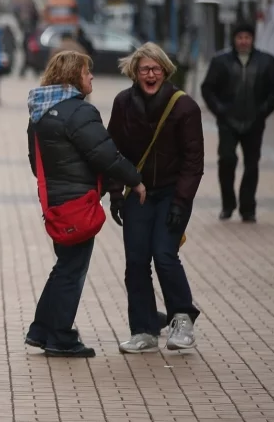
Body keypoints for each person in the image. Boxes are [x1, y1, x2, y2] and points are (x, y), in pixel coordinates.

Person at [25, 50, 143, 358]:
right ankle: (60, 336)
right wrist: (135, 179)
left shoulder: (39, 111)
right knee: (72, 269)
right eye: (87, 72)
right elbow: (106, 155)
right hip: (79, 202)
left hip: (55, 201)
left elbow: (34, 161)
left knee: (64, 265)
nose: (91, 77)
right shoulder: (78, 111)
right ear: (74, 75)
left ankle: (41, 330)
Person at [108, 42, 205, 353]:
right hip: (138, 192)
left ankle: (182, 320)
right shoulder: (123, 103)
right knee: (136, 261)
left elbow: (193, 161)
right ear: (134, 73)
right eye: (144, 69)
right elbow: (113, 152)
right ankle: (144, 330)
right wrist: (115, 193)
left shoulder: (184, 107)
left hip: (173, 192)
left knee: (164, 254)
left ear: (166, 70)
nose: (150, 74)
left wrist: (181, 202)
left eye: (155, 69)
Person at [200, 23, 274, 223]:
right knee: (227, 160)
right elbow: (207, 88)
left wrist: (263, 111)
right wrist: (220, 111)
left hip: (255, 122)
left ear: (253, 39)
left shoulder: (266, 61)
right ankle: (227, 205)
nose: (244, 41)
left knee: (252, 164)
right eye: (240, 37)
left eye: (247, 37)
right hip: (228, 121)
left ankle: (248, 208)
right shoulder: (221, 61)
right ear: (234, 39)